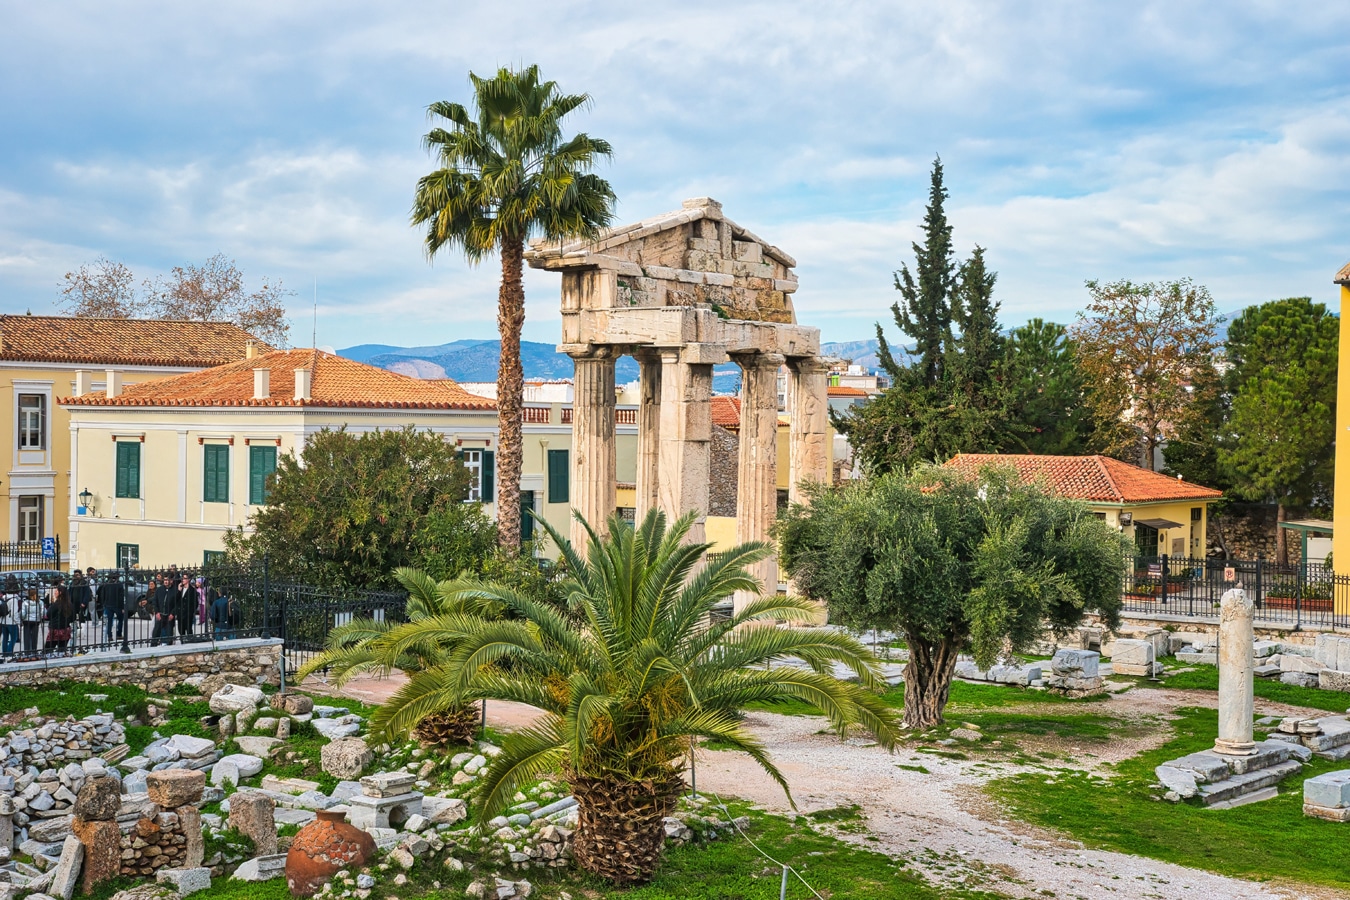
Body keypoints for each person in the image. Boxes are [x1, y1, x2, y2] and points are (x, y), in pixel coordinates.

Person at [97, 570, 125, 644]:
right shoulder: (119, 585)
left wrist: (104, 603)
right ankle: (119, 634)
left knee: (109, 621)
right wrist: (122, 607)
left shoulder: (106, 584)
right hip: (117, 605)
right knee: (120, 620)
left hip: (108, 605)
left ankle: (109, 635)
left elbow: (102, 595)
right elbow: (121, 597)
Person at [46, 583, 74, 655]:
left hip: (55, 629)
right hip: (65, 629)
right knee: (62, 649)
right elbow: (73, 617)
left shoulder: (56, 604)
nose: (54, 592)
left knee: (48, 649)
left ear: (60, 593)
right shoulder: (69, 604)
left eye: (56, 591)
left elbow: (48, 614)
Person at [151, 573, 175, 646]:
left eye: (167, 580)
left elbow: (177, 604)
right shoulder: (159, 590)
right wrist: (157, 612)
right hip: (160, 614)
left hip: (169, 615)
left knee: (169, 633)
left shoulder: (175, 590)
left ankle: (169, 645)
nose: (166, 582)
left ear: (171, 581)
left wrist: (173, 613)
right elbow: (155, 602)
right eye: (164, 580)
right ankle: (153, 645)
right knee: (156, 632)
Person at [0, 574, 20, 657]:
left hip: (3, 621)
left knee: (5, 638)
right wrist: (18, 622)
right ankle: (9, 653)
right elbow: (14, 613)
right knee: (14, 638)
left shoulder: (4, 597)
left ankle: (4, 653)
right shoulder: (14, 599)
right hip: (11, 621)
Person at [19, 587, 43, 656]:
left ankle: (27, 651)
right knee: (34, 636)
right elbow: (43, 612)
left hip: (27, 621)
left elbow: (23, 613)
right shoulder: (40, 602)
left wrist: (22, 618)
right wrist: (40, 617)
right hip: (36, 621)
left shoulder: (25, 602)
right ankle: (34, 651)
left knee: (27, 636)